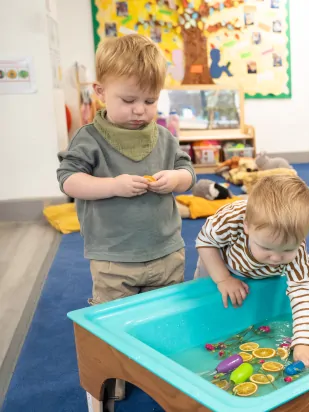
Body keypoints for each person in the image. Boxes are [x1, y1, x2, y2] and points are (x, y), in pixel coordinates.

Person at [56, 33, 196, 400]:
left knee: (164, 317)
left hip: (166, 252)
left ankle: (160, 369)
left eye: (150, 100)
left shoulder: (164, 138)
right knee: (114, 322)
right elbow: (69, 181)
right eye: (129, 100)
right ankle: (116, 374)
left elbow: (188, 173)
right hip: (113, 258)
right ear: (101, 92)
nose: (140, 110)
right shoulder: (89, 138)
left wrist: (175, 179)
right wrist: (112, 185)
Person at [194, 175, 309, 367]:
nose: (277, 258)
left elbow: (302, 290)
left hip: (259, 273)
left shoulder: (297, 250)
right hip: (220, 262)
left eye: (287, 249)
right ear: (247, 226)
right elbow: (204, 242)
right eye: (267, 248)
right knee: (204, 295)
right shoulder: (230, 219)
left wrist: (304, 341)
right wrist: (223, 279)